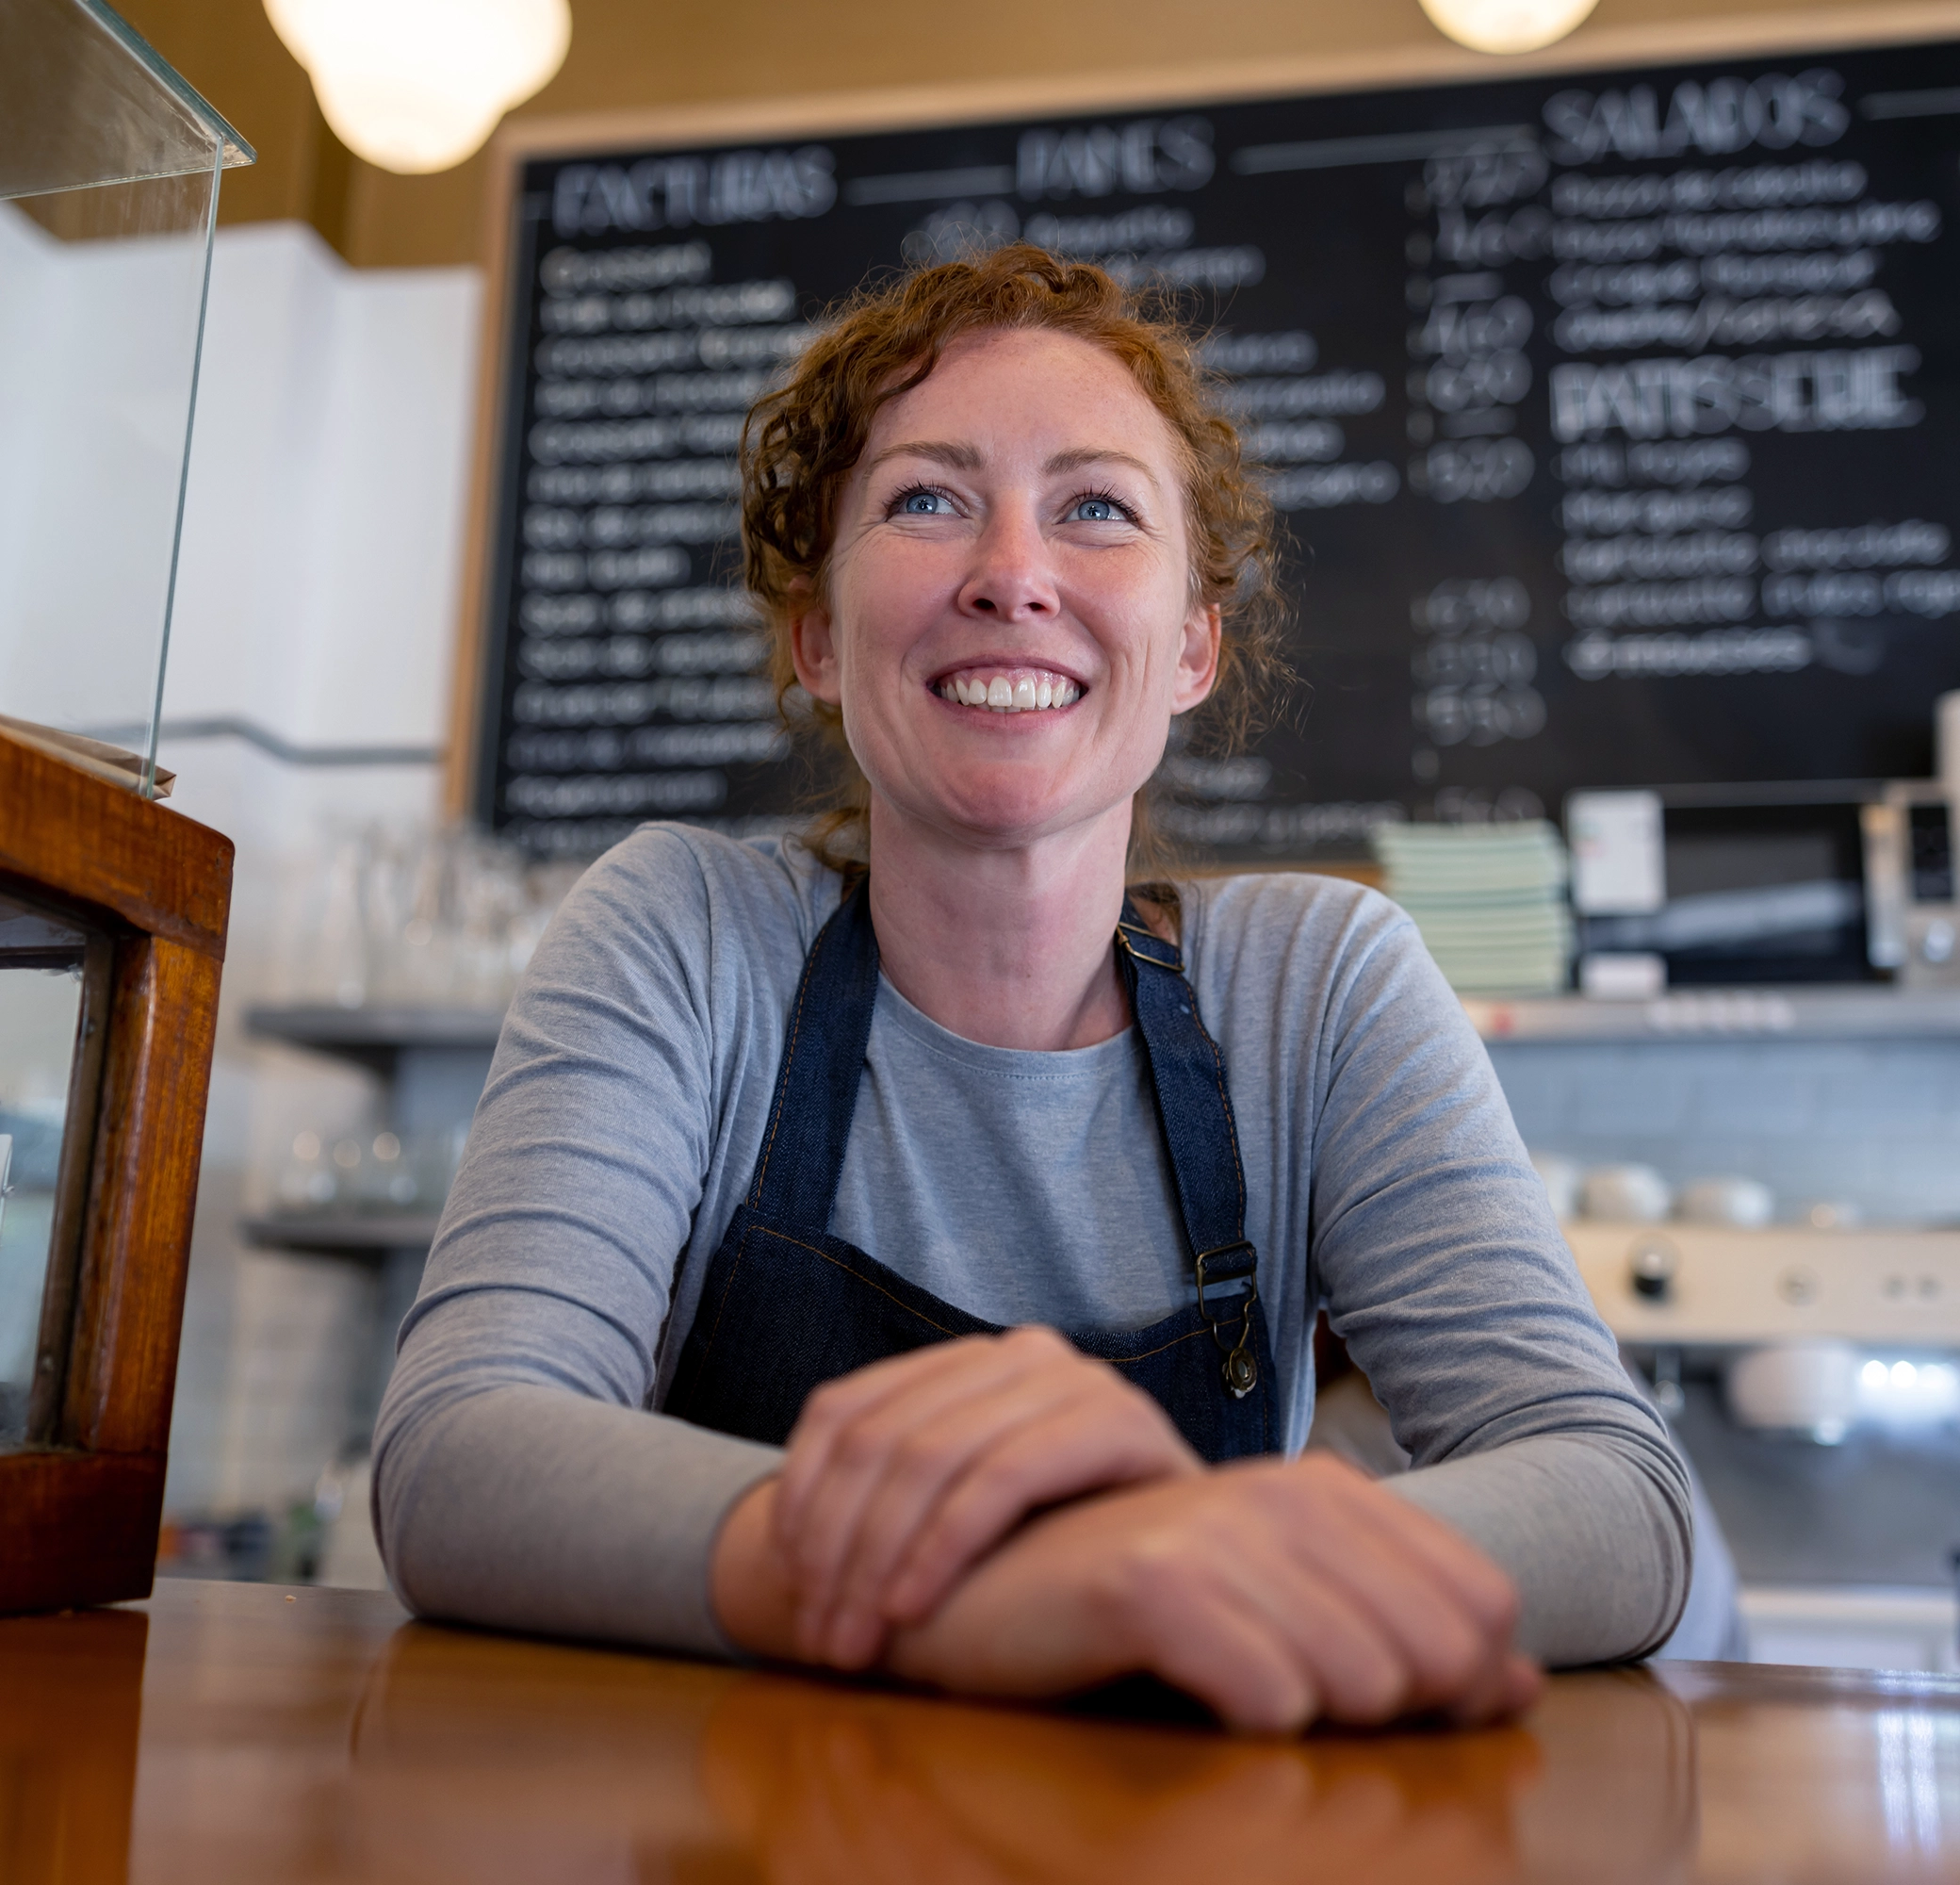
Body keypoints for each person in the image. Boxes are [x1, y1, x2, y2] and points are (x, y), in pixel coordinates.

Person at [374, 245, 1691, 1733]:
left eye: (1098, 509)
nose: (1013, 573)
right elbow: (456, 1458)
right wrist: (1001, 1587)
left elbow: (1622, 1499)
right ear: (818, 633)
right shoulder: (684, 936)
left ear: (1192, 646)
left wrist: (1211, 1557)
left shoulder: (1318, 988)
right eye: (929, 499)